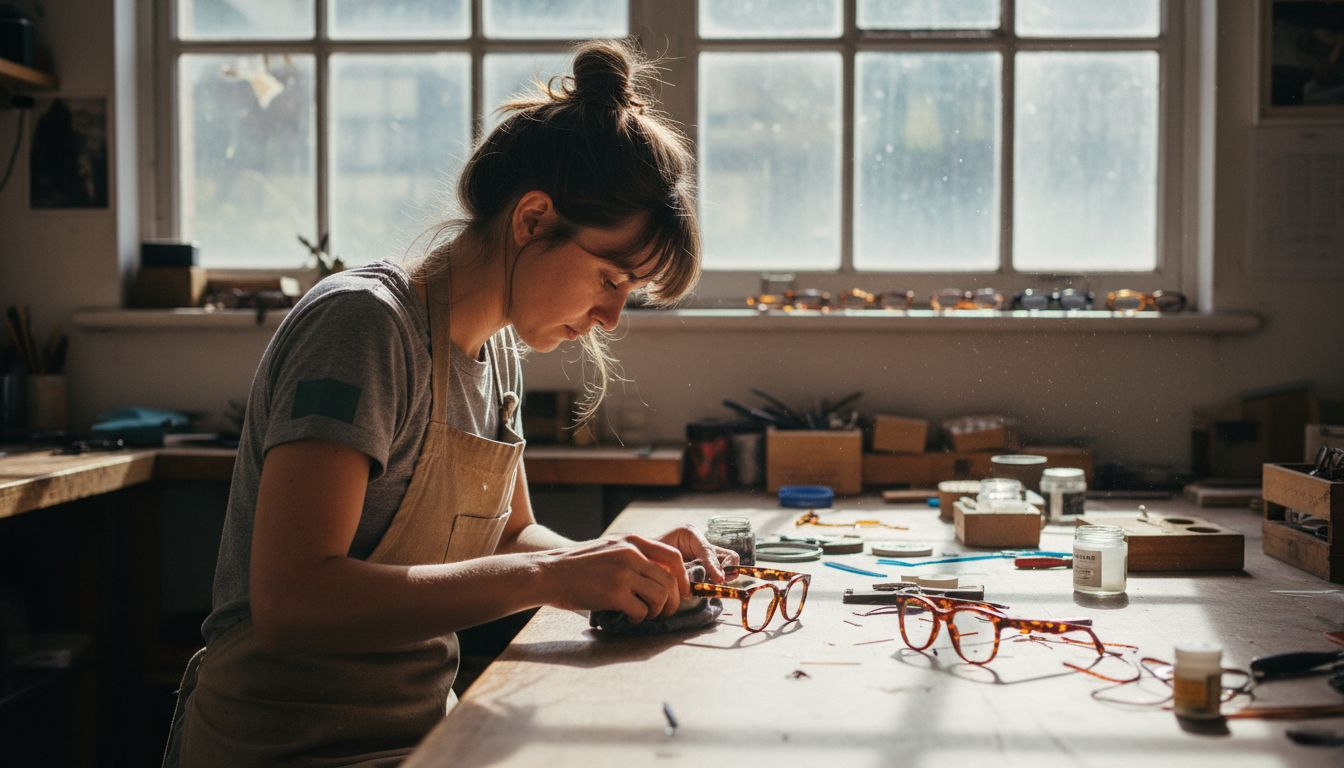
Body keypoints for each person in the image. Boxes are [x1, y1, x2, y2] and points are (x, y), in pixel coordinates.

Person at [164, 39, 734, 767]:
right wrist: (557, 577)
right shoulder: (363, 327)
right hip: (284, 745)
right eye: (610, 279)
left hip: (417, 736)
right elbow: (292, 602)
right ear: (532, 219)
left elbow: (506, 537)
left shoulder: (494, 353)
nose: (611, 318)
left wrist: (627, 569)